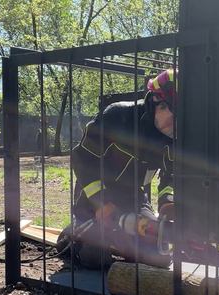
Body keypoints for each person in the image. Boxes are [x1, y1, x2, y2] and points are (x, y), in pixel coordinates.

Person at [58, 69, 176, 269]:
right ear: (158, 102)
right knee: (96, 259)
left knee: (158, 257)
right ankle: (74, 233)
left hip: (134, 198)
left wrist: (167, 203)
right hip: (94, 195)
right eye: (174, 119)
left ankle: (119, 237)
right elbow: (81, 158)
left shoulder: (172, 140)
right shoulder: (117, 117)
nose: (177, 126)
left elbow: (170, 175)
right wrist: (101, 202)